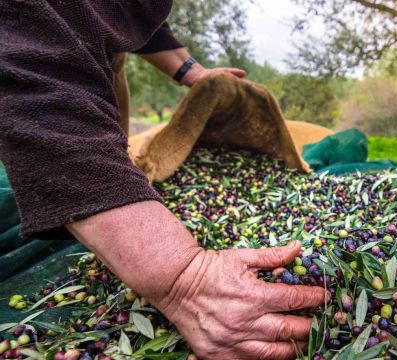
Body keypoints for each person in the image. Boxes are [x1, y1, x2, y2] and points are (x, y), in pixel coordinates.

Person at [0, 1, 325, 359]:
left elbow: (122, 9)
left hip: (85, 63)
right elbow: (33, 76)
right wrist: (183, 278)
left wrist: (192, 72)